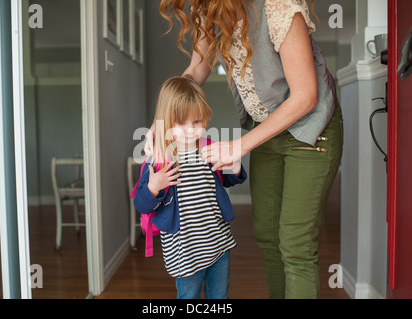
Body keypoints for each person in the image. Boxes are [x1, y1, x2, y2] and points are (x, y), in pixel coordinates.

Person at [148, 0, 344, 299]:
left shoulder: (278, 5)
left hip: (312, 129)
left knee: (295, 244)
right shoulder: (210, 8)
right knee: (267, 235)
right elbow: (198, 66)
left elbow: (306, 96)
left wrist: (238, 146)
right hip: (268, 129)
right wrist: (162, 119)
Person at [134, 76, 247, 299]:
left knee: (220, 296)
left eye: (196, 122)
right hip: (185, 252)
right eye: (181, 123)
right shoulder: (159, 159)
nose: (190, 130)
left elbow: (227, 179)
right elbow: (141, 204)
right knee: (189, 296)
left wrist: (234, 167)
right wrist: (153, 187)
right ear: (166, 122)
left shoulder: (208, 149)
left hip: (218, 244)